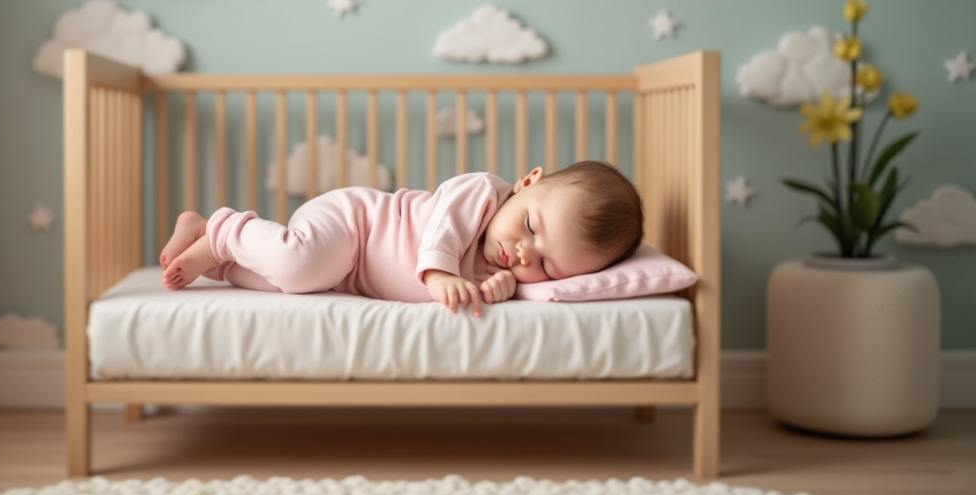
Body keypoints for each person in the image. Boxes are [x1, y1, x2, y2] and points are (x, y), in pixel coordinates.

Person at [159, 161, 643, 317]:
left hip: (348, 277)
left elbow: (500, 282)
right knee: (298, 265)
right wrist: (439, 274)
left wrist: (501, 288)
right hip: (356, 225)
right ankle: (224, 231)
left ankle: (206, 242)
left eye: (547, 265)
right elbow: (442, 232)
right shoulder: (480, 194)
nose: (522, 253)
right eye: (533, 228)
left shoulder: (507, 268)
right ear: (527, 183)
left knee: (274, 280)